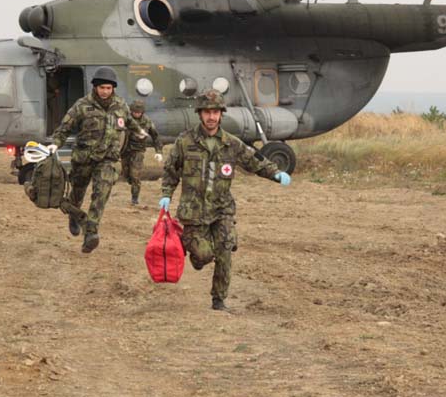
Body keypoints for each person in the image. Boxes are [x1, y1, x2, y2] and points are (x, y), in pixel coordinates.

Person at [159, 89, 291, 311]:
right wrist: (166, 194)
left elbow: (254, 161)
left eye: (215, 112)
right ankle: (192, 249)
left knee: (225, 250)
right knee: (203, 255)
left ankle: (218, 300)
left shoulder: (231, 143)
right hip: (194, 211)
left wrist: (276, 173)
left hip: (222, 209)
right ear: (200, 114)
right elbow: (171, 171)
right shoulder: (185, 141)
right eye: (207, 112)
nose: (211, 117)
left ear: (221, 114)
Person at [52, 67, 146, 253]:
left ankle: (91, 232)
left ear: (113, 88)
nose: (105, 91)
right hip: (83, 158)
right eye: (102, 87)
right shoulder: (82, 106)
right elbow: (64, 128)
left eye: (108, 88)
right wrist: (55, 144)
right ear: (95, 87)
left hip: (107, 159)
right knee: (77, 194)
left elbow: (128, 121)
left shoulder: (120, 105)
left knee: (101, 194)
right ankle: (74, 215)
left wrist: (139, 131)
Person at [121, 99, 164, 205]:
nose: (136, 114)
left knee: (135, 175)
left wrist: (158, 151)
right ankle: (131, 180)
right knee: (126, 174)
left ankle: (134, 198)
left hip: (138, 150)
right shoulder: (126, 119)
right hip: (125, 150)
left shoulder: (147, 122)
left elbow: (155, 136)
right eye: (134, 112)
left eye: (138, 112)